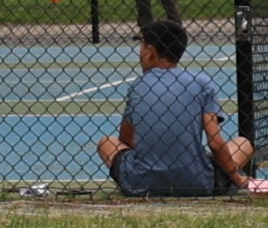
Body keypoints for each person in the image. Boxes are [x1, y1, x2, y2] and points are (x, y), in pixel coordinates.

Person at [102, 12, 242, 197]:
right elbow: (216, 143)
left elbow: (126, 139)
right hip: (198, 182)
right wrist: (237, 178)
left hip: (141, 182)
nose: (140, 52)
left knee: (107, 143)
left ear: (151, 51)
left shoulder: (138, 85)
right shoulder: (201, 82)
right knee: (242, 143)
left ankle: (152, 175)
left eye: (142, 46)